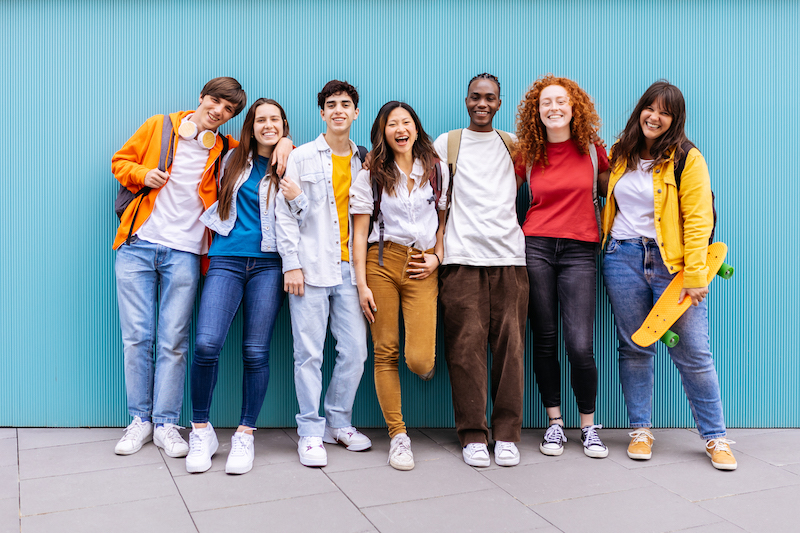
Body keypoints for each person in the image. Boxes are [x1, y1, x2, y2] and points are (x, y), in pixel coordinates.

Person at [601, 80, 737, 470]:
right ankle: (640, 430)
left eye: (665, 112)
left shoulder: (687, 158)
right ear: (640, 109)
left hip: (672, 266)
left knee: (693, 351)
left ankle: (715, 437)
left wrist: (696, 275)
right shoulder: (621, 153)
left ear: (674, 120)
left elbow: (698, 219)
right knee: (634, 347)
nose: (654, 116)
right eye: (650, 107)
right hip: (621, 258)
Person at [111, 77, 246, 457]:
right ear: (202, 98)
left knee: (173, 342)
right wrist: (143, 175)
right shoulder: (160, 126)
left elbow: (264, 149)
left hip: (185, 252)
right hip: (138, 246)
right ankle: (140, 420)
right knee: (136, 337)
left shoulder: (224, 148)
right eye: (216, 101)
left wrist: (285, 142)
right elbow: (120, 161)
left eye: (228, 110)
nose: (219, 111)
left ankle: (167, 424)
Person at [185, 99, 298, 475]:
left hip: (270, 263)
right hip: (226, 259)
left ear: (284, 125)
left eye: (275, 121)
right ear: (250, 126)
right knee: (206, 344)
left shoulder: (294, 162)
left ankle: (245, 434)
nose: (268, 125)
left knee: (255, 351)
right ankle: (201, 430)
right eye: (260, 120)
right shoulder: (230, 156)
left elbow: (308, 211)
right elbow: (197, 131)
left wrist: (288, 145)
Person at [433, 73, 528, 468]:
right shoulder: (447, 142)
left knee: (511, 350)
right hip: (460, 260)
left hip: (510, 259)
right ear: (466, 100)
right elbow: (423, 187)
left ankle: (506, 435)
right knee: (464, 349)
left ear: (499, 103)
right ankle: (473, 434)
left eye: (490, 98)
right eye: (475, 97)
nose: (482, 103)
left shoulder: (514, 146)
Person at [276, 80, 372, 467]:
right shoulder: (299, 157)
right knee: (308, 355)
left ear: (356, 112)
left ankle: (338, 421)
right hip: (310, 270)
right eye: (330, 104)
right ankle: (310, 432)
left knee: (356, 352)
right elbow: (283, 216)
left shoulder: (364, 159)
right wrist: (291, 264)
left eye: (345, 104)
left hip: (349, 270)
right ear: (321, 112)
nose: (338, 110)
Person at [514, 75, 610, 458]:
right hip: (535, 246)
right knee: (545, 339)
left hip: (580, 250)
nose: (553, 108)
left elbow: (618, 192)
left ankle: (588, 426)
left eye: (560, 101)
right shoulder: (527, 154)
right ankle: (555, 424)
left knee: (580, 344)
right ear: (536, 112)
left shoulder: (592, 151)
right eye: (545, 103)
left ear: (575, 108)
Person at [350, 101, 448, 470]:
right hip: (381, 262)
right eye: (392, 124)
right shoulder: (371, 174)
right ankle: (398, 436)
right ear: (383, 132)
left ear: (416, 128)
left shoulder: (437, 170)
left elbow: (443, 223)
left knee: (419, 359)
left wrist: (438, 257)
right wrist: (361, 284)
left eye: (406, 122)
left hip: (423, 264)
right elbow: (360, 236)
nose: (400, 129)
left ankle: (423, 364)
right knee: (385, 351)